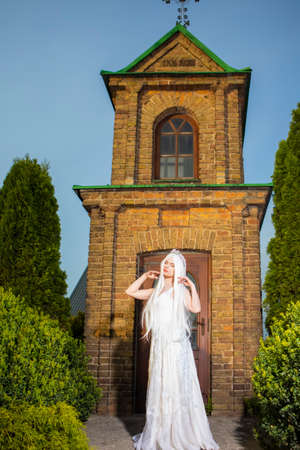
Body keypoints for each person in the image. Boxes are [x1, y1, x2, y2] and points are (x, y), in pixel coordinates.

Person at [125, 249, 220, 450]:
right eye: (165, 263)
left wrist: (192, 286)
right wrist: (144, 276)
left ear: (179, 270)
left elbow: (196, 309)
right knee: (160, 389)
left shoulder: (181, 292)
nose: (167, 266)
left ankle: (180, 432)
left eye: (171, 264)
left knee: (177, 388)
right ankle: (161, 432)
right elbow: (131, 292)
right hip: (159, 349)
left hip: (177, 349)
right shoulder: (156, 292)